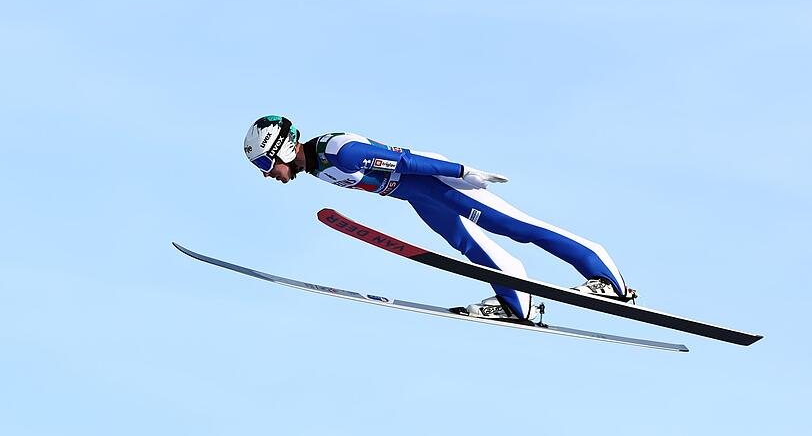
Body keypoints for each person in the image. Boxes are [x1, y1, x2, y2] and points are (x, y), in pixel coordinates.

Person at [243, 115, 636, 324]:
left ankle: (606, 276)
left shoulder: (340, 153)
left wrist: (462, 171)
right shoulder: (316, 167)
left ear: (285, 148)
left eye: (265, 163)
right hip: (416, 196)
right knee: (467, 246)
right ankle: (518, 302)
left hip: (438, 183)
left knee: (515, 227)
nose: (266, 173)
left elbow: (406, 162)